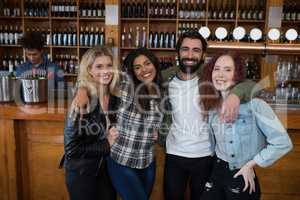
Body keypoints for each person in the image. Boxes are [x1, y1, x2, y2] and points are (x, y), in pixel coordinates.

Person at [159, 31, 259, 200]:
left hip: (206, 155)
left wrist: (235, 94)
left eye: (196, 50)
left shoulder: (212, 76)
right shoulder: (166, 77)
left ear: (203, 54)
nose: (190, 55)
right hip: (174, 153)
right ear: (178, 52)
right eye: (185, 49)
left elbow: (252, 85)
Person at [71, 47, 163, 200]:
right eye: (137, 67)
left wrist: (157, 131)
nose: (144, 70)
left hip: (147, 161)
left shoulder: (161, 89)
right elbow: (93, 75)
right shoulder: (125, 83)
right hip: (122, 160)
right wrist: (81, 90)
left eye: (147, 63)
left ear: (155, 64)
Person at [199, 52, 293, 200]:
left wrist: (250, 165)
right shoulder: (212, 106)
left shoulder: (255, 105)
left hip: (241, 172)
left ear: (237, 75)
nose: (220, 74)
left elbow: (282, 143)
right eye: (216, 69)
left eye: (228, 70)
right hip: (216, 170)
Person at [61, 47, 119, 200]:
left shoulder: (114, 99)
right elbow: (72, 150)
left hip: (105, 170)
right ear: (89, 70)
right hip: (82, 173)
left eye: (109, 65)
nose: (106, 71)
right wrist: (107, 143)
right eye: (99, 66)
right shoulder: (81, 102)